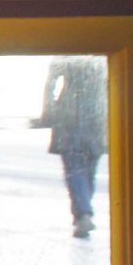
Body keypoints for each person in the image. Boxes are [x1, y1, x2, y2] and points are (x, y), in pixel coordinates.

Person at [41, 56, 107, 239]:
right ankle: (83, 213)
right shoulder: (100, 53)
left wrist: (48, 113)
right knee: (89, 170)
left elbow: (51, 83)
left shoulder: (67, 51)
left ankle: (83, 214)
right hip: (98, 115)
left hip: (69, 115)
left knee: (74, 168)